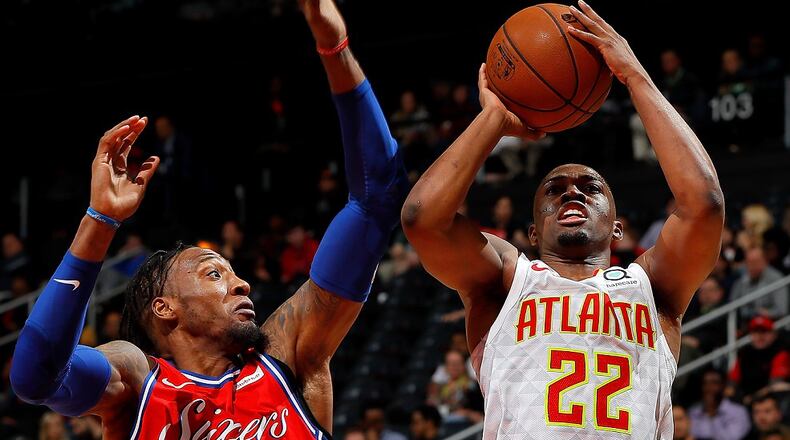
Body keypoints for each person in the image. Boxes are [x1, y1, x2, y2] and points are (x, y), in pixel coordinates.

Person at [9, 1, 408, 438]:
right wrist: (100, 219)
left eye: (231, 274)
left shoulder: (289, 356)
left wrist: (336, 48)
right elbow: (36, 376)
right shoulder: (139, 385)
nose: (242, 284)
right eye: (214, 273)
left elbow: (378, 197)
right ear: (164, 308)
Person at [402, 2, 724, 438]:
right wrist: (493, 119)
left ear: (617, 227)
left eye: (591, 188)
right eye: (554, 190)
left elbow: (703, 205)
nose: (572, 191)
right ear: (532, 233)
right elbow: (423, 220)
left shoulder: (654, 287)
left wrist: (635, 76)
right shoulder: (506, 280)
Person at [729, 316, 790, 401]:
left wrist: (751, 398)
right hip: (746, 400)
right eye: (755, 332)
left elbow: (775, 386)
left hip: (771, 401)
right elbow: (732, 382)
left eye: (764, 332)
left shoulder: (780, 351)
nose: (759, 336)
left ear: (774, 334)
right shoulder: (745, 353)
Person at [689, 368, 751, 440]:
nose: (709, 388)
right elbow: (690, 434)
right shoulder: (694, 412)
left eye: (714, 383)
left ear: (723, 386)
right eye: (705, 383)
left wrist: (712, 414)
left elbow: (732, 437)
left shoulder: (738, 411)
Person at [730, 248, 789, 323]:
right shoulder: (741, 279)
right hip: (746, 323)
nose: (753, 266)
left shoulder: (776, 278)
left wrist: (764, 313)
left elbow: (781, 310)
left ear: (766, 261)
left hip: (770, 324)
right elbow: (732, 306)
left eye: (756, 261)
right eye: (749, 262)